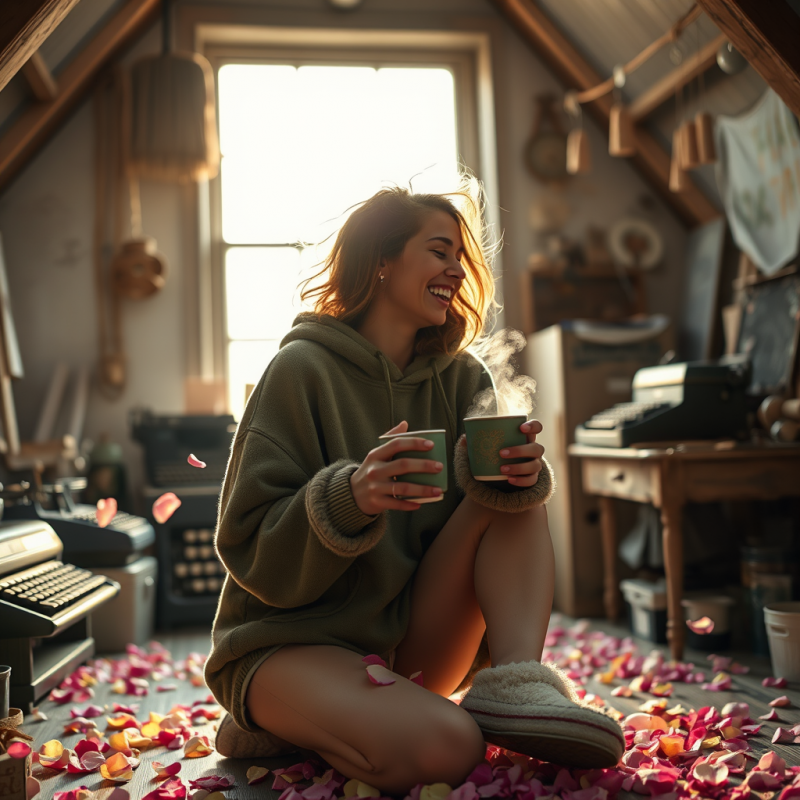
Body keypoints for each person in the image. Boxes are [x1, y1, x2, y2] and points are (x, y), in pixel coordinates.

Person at [204, 178, 624, 795]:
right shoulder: (300, 370)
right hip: (289, 643)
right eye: (438, 251)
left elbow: (494, 527)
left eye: (461, 256)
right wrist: (353, 496)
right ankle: (289, 722)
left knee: (508, 492)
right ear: (381, 261)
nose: (456, 269)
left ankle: (516, 683)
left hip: (408, 639)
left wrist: (521, 471)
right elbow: (247, 549)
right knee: (450, 745)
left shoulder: (461, 378)